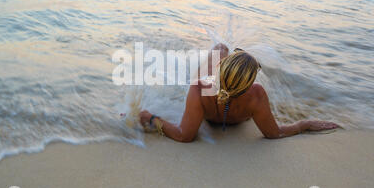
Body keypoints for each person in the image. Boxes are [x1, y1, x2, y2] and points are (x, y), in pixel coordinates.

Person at [139, 43, 339, 142]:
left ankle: (226, 56)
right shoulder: (256, 95)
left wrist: (150, 117)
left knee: (219, 49)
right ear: (250, 83)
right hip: (230, 97)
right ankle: (232, 58)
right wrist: (305, 124)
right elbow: (275, 133)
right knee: (221, 48)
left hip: (209, 93)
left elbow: (183, 135)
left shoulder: (199, 88)